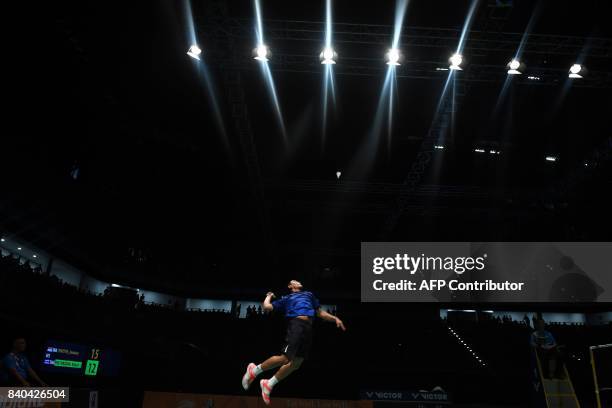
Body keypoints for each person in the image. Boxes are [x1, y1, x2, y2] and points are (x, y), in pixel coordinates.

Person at [241, 280, 346, 404]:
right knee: (285, 358)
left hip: (308, 328)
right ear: (290, 286)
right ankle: (254, 370)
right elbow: (267, 307)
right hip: (296, 325)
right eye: (294, 281)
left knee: (297, 363)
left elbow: (320, 313)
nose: (298, 281)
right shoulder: (287, 298)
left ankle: (269, 383)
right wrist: (268, 296)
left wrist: (335, 318)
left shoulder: (309, 295)